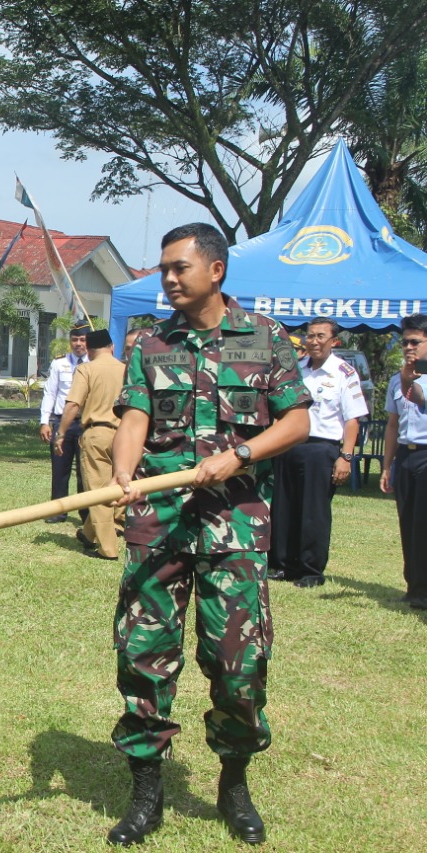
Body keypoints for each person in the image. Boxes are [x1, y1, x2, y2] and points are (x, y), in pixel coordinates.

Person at [108, 223, 311, 847]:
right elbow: (135, 416)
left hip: (235, 525)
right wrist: (123, 474)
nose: (168, 278)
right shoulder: (150, 341)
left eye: (180, 268)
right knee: (142, 656)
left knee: (238, 664)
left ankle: (234, 783)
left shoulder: (266, 337)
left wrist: (241, 453)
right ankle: (147, 792)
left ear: (216, 270)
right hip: (159, 523)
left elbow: (297, 421)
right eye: (164, 268)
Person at [269, 317, 367, 587]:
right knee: (283, 507)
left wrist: (345, 457)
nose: (313, 341)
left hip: (321, 449)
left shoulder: (343, 373)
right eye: (310, 336)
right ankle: (283, 565)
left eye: (320, 336)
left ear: (334, 341)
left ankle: (311, 570)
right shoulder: (297, 370)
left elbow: (352, 419)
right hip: (289, 445)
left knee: (313, 512)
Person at [55, 328, 124, 559]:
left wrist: (61, 433)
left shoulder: (86, 369)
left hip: (97, 433)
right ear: (112, 347)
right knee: (118, 485)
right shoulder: (125, 369)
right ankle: (89, 533)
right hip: (124, 434)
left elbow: (73, 404)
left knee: (98, 492)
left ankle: (108, 549)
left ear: (89, 350)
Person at [381, 313, 427, 610]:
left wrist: (411, 379)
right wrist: (387, 466)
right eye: (405, 342)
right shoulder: (397, 379)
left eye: (415, 342)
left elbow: (420, 399)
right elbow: (392, 425)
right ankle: (414, 587)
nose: (408, 347)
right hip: (406, 455)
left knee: (423, 524)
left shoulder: (411, 379)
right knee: (408, 523)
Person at [39, 325, 89, 523]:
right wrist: (45, 422)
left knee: (85, 471)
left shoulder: (94, 363)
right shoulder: (59, 363)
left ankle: (87, 513)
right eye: (75, 339)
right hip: (62, 423)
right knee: (60, 469)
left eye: (82, 340)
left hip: (86, 423)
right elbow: (50, 393)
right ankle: (58, 510)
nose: (78, 344)